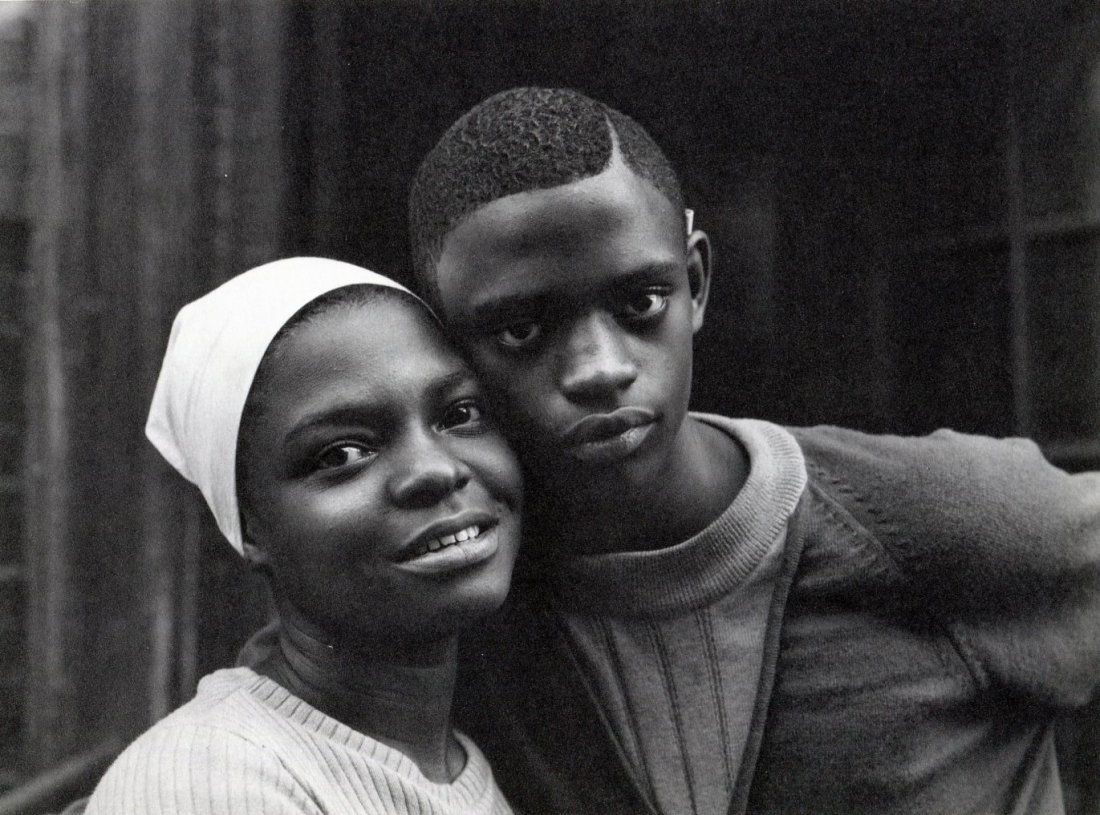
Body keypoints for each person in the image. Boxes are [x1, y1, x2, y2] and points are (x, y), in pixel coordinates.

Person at [402, 87, 1100, 815]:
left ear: (695, 283)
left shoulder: (948, 519)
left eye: (641, 303)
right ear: (446, 350)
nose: (599, 368)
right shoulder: (457, 614)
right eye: (521, 330)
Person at [85, 258, 521, 815]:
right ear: (250, 526)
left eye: (458, 414)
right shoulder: (209, 783)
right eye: (343, 453)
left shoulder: (468, 765)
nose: (436, 469)